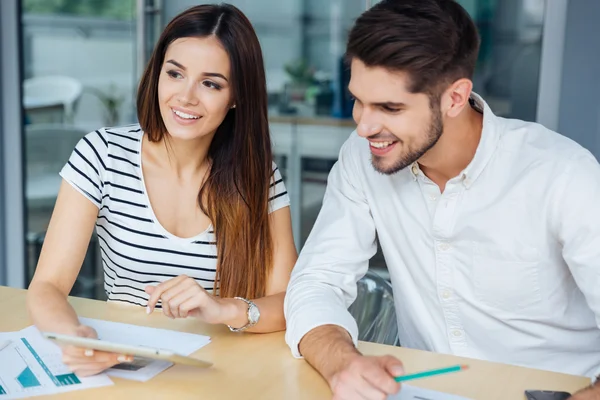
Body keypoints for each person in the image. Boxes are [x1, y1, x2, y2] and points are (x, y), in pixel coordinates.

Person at [283, 1, 600, 399]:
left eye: (390, 107)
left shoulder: (562, 174)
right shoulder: (362, 158)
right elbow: (317, 281)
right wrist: (341, 361)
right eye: (358, 100)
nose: (364, 126)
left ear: (455, 98)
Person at [27, 3, 297, 377]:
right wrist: (72, 337)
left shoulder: (257, 177)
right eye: (175, 74)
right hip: (122, 366)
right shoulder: (103, 155)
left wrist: (222, 308)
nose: (186, 97)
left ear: (236, 97)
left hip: (221, 371)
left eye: (210, 83)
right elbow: (47, 286)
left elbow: (289, 303)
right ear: (157, 75)